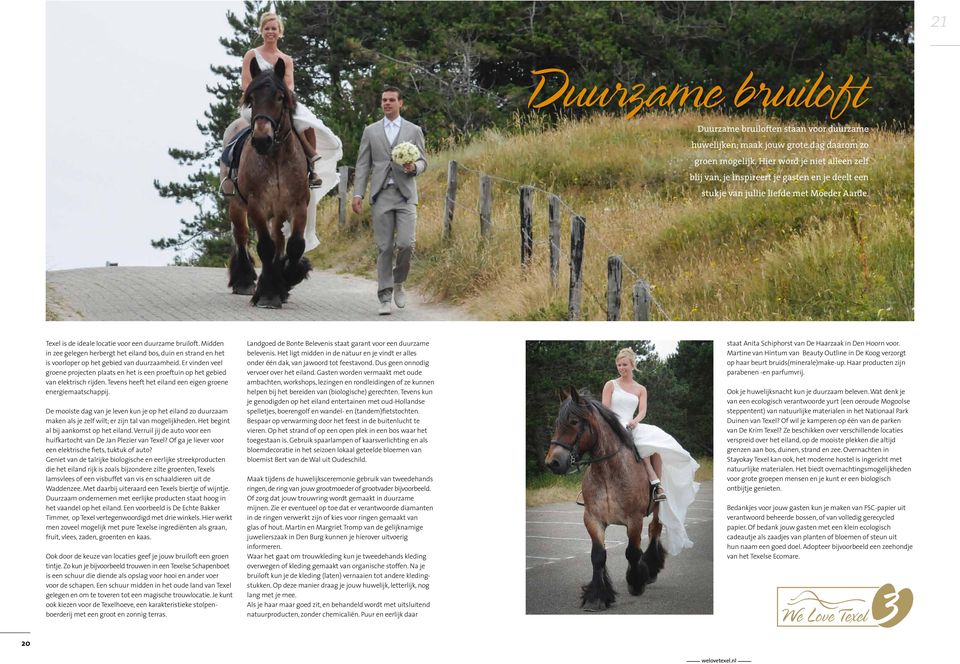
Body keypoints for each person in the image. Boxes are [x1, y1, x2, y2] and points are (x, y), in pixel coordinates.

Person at [220, 12, 342, 251]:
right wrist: (261, 93)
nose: (271, 32)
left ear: (280, 32)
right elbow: (246, 83)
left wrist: (278, 95)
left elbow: (290, 84)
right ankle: (231, 169)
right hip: (255, 102)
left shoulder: (285, 58)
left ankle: (311, 164)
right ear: (261, 31)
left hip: (278, 101)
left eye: (274, 28)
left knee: (305, 122)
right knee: (243, 129)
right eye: (267, 28)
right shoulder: (251, 55)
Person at [602, 347, 700, 555]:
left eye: (625, 365)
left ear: (632, 365)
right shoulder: (610, 385)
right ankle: (592, 486)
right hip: (612, 424)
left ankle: (656, 486)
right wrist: (617, 424)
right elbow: (605, 408)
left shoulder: (640, 388)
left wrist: (634, 422)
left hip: (631, 423)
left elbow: (643, 411)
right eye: (619, 365)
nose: (621, 368)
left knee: (655, 442)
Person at [351, 86, 428, 315]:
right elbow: (363, 164)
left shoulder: (413, 130)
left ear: (400, 103)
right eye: (384, 100)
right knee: (384, 247)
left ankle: (398, 282)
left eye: (391, 100)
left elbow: (424, 160)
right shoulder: (371, 131)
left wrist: (415, 167)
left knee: (406, 244)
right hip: (381, 195)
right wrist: (358, 194)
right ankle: (384, 297)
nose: (387, 103)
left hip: (405, 195)